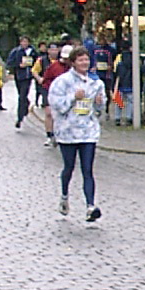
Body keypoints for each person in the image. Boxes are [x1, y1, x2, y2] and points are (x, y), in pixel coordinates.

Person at [48, 47, 106, 222]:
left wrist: (99, 103)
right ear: (73, 62)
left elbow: (99, 109)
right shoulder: (62, 82)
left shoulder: (96, 83)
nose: (84, 63)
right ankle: (64, 196)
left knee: (87, 170)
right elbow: (56, 106)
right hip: (68, 132)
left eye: (86, 60)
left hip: (88, 132)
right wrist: (73, 97)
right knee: (69, 168)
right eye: (80, 60)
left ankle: (90, 206)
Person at [40, 44, 74, 147]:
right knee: (49, 113)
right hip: (50, 91)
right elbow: (45, 80)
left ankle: (62, 134)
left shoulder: (74, 68)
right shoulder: (54, 67)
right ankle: (49, 135)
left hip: (67, 94)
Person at [5, 37, 36, 129]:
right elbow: (9, 63)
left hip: (28, 77)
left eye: (26, 42)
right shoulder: (16, 51)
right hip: (19, 76)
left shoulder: (33, 51)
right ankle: (26, 104)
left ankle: (19, 118)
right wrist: (19, 65)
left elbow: (38, 61)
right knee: (22, 95)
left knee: (22, 96)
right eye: (23, 42)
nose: (24, 43)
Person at [92, 27, 117, 112]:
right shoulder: (95, 49)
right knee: (96, 91)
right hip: (97, 73)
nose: (102, 41)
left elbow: (114, 57)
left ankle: (107, 108)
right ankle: (96, 108)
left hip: (107, 73)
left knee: (107, 91)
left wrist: (111, 65)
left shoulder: (111, 49)